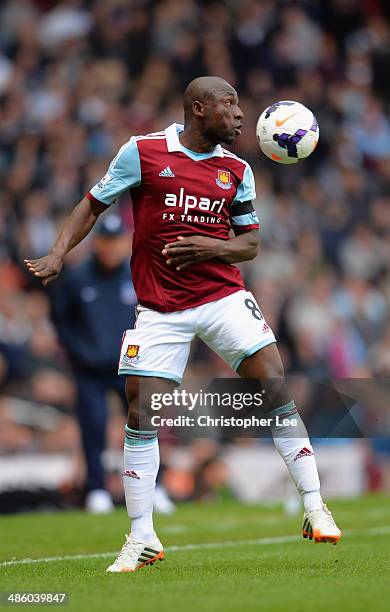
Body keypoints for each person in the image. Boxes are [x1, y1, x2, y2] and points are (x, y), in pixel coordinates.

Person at [25, 76, 341, 573]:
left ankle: (315, 506)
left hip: (222, 296)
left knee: (274, 386)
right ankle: (142, 536)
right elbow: (93, 202)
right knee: (139, 410)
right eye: (229, 104)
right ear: (199, 109)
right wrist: (58, 252)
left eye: (240, 105)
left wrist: (210, 248)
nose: (240, 115)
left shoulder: (236, 170)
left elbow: (250, 243)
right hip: (160, 307)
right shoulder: (144, 152)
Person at [50, 214, 135, 513]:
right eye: (106, 241)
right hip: (89, 370)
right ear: (97, 242)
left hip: (129, 366)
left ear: (125, 243)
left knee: (142, 427)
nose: (111, 248)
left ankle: (152, 487)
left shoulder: (136, 275)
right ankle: (96, 489)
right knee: (94, 427)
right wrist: (78, 352)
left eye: (116, 241)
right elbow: (61, 320)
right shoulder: (77, 278)